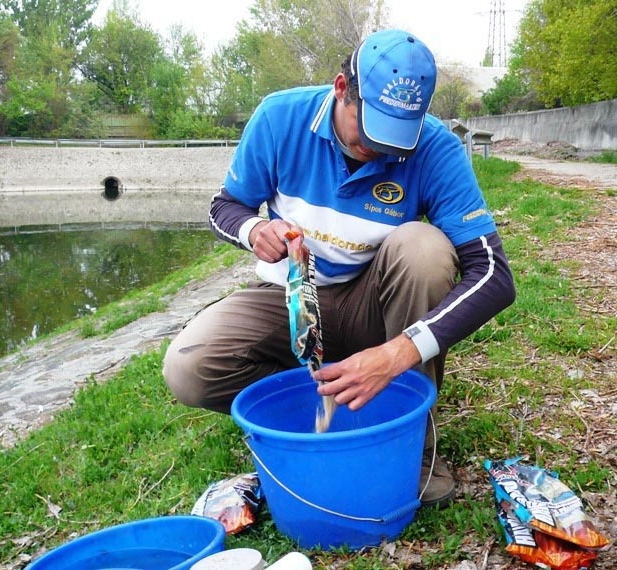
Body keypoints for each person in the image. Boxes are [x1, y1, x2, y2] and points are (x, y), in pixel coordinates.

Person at [163, 29, 516, 508]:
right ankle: (306, 405)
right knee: (188, 368)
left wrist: (397, 354)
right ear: (340, 89)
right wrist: (253, 231)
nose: (382, 148)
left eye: (397, 136)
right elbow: (224, 207)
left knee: (424, 248)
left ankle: (416, 444)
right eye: (370, 129)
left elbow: (494, 274)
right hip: (289, 297)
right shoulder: (279, 118)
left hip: (375, 304)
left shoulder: (435, 148)